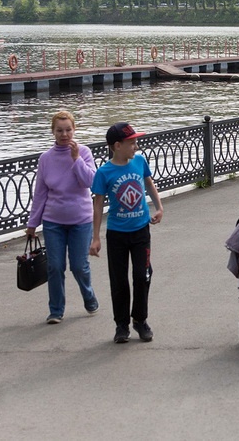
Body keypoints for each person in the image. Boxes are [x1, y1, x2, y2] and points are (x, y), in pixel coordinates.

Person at [91, 122, 164, 344]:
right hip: (117, 234)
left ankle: (140, 320)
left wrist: (159, 207)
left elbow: (149, 184)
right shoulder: (104, 172)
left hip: (141, 230)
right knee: (119, 280)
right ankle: (121, 325)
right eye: (131, 142)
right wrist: (95, 238)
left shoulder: (139, 162)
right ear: (117, 146)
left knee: (142, 276)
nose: (136, 146)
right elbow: (97, 206)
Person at [25, 110, 100, 325]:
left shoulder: (83, 152)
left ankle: (89, 295)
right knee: (55, 266)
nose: (64, 134)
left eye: (68, 130)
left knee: (79, 266)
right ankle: (56, 310)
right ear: (53, 132)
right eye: (59, 130)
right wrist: (33, 223)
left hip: (80, 220)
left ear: (74, 130)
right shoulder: (46, 159)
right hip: (53, 221)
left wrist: (76, 159)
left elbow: (90, 182)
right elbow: (40, 193)